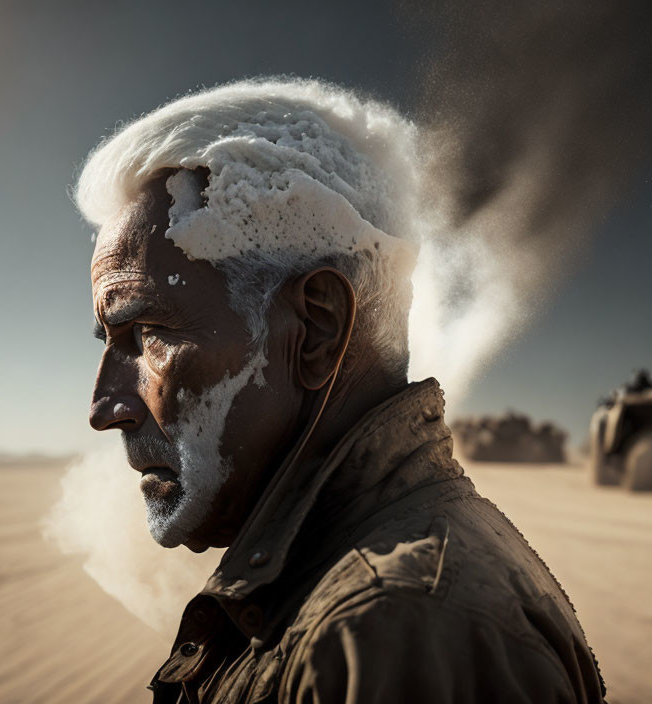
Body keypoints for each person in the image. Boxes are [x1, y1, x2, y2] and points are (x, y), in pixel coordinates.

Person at [77, 79, 605, 703]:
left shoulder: (394, 634)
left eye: (147, 334)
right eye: (109, 342)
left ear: (316, 330)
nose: (104, 407)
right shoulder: (370, 608)